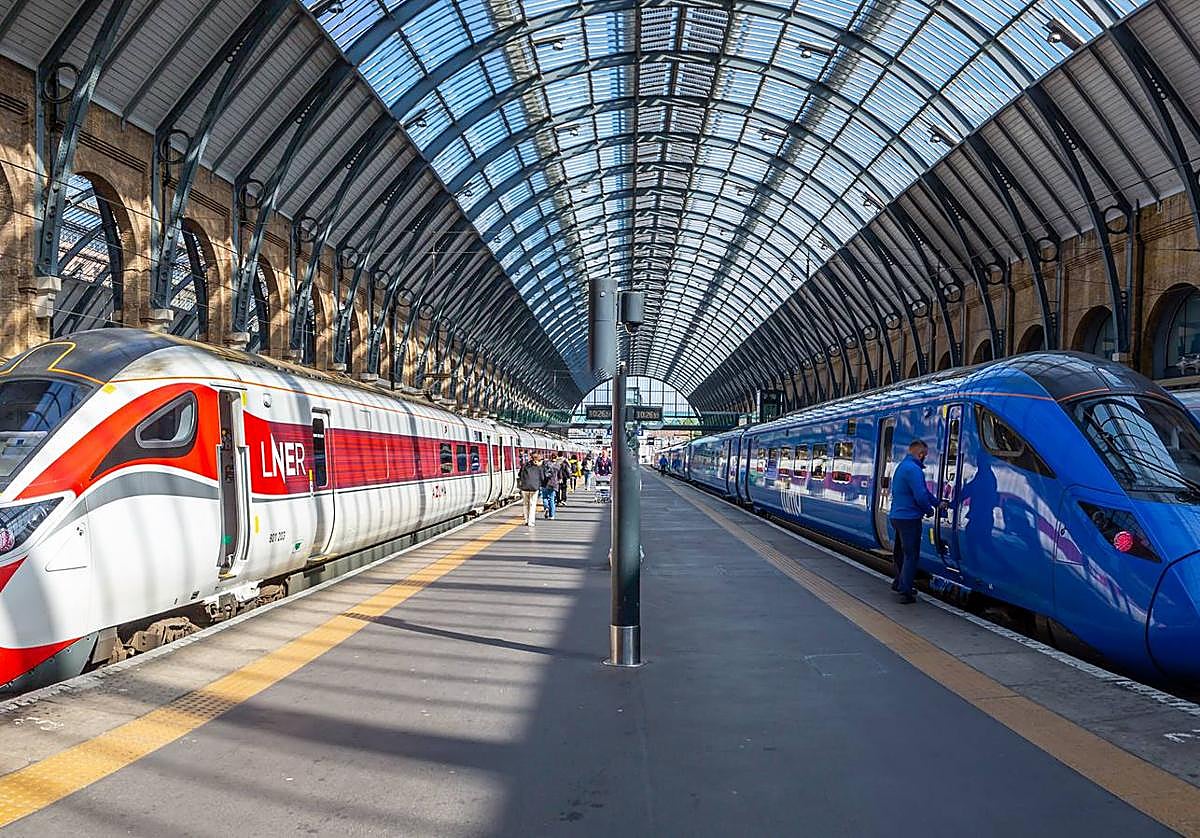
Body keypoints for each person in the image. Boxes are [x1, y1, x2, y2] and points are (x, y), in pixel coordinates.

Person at [888, 439, 942, 604]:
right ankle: (906, 591)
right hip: (909, 518)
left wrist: (938, 503)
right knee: (911, 555)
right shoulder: (915, 470)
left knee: (899, 552)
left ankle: (898, 582)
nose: (925, 458)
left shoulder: (903, 467)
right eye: (925, 455)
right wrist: (929, 510)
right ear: (921, 454)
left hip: (897, 517)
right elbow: (920, 495)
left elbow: (923, 492)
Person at [518, 453, 543, 527]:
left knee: (525, 504)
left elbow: (519, 474)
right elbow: (542, 477)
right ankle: (531, 522)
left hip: (524, 487)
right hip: (534, 488)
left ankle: (526, 520)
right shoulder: (539, 467)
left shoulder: (525, 465)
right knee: (532, 504)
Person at [541, 453, 561, 519]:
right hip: (553, 484)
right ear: (556, 457)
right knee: (552, 499)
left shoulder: (545, 464)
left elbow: (541, 472)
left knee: (544, 497)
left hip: (545, 483)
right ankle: (551, 515)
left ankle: (546, 507)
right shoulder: (558, 465)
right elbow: (560, 476)